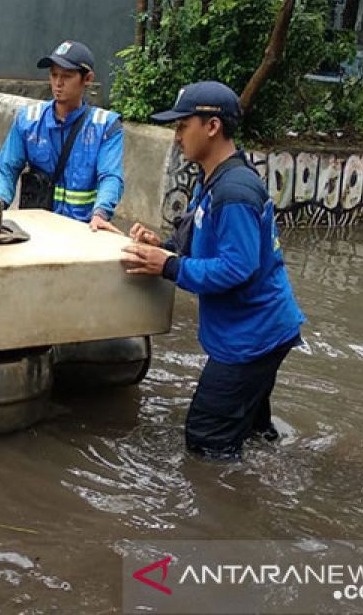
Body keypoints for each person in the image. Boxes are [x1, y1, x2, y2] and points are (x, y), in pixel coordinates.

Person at [120, 81, 305, 460]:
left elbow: (237, 268)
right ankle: (266, 475)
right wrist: (162, 247)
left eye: (182, 124)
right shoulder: (215, 180)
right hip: (260, 331)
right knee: (250, 433)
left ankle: (227, 509)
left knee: (206, 440)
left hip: (252, 339)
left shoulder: (234, 190)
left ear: (212, 126)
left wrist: (168, 266)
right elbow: (203, 240)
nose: (177, 136)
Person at [0, 40, 124, 232]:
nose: (58, 83)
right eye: (54, 75)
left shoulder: (106, 126)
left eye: (67, 76)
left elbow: (111, 176)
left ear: (87, 79)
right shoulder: (28, 120)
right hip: (35, 228)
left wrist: (100, 214)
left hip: (82, 230)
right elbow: (8, 168)